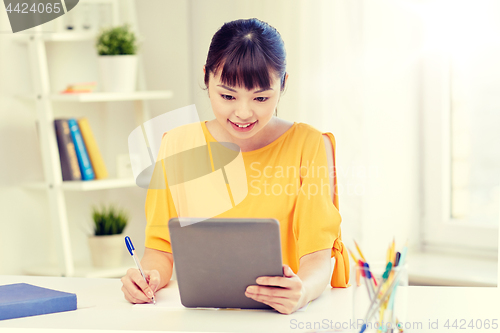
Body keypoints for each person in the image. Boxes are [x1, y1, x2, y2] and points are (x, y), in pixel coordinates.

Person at [120, 18, 350, 315]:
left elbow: (318, 258)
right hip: (204, 319)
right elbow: (160, 249)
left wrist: (302, 291)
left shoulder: (309, 145)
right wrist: (147, 278)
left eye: (261, 98)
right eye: (227, 96)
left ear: (283, 84)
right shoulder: (177, 145)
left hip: (279, 319)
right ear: (206, 78)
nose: (243, 113)